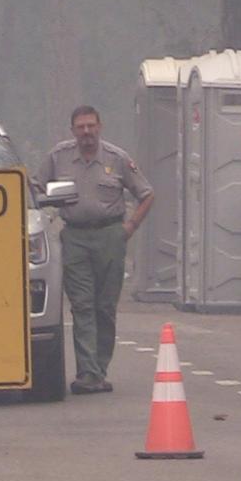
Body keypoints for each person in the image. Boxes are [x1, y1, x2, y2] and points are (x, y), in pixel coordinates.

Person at [34, 106, 154, 395]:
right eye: (80, 127)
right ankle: (87, 373)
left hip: (111, 237)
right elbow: (35, 189)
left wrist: (130, 227)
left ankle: (100, 368)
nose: (86, 132)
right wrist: (48, 207)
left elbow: (146, 194)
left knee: (104, 307)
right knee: (82, 305)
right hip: (74, 238)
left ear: (100, 126)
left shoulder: (118, 158)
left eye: (91, 126)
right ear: (73, 130)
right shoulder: (57, 157)